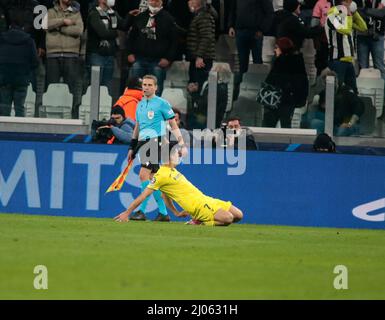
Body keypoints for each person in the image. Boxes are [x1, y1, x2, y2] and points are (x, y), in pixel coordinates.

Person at [114, 141, 243, 226]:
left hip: (206, 200)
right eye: (177, 154)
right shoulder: (161, 175)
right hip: (198, 206)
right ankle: (200, 222)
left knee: (238, 215)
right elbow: (144, 196)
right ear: (169, 156)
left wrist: (175, 212)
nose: (179, 156)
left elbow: (165, 195)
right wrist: (127, 212)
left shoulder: (172, 170)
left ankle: (201, 220)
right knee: (228, 219)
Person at [128, 74, 188, 222]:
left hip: (156, 140)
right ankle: (163, 213)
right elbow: (137, 126)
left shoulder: (162, 103)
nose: (146, 87)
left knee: (143, 174)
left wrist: (181, 143)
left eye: (150, 85)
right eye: (144, 85)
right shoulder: (140, 104)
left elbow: (173, 124)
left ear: (156, 87)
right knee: (152, 178)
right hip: (143, 142)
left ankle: (141, 211)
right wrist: (132, 147)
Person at [127, 0, 178, 96]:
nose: (154, 3)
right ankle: (134, 108)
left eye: (156, 1)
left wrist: (168, 58)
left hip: (158, 61)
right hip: (139, 59)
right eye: (151, 0)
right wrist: (129, 53)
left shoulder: (168, 19)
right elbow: (131, 37)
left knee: (155, 91)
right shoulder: (140, 17)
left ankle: (153, 110)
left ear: (161, 2)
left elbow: (174, 42)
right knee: (134, 89)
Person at [46, 0, 84, 119]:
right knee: (51, 87)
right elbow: (45, 24)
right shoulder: (50, 11)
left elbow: (79, 30)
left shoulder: (76, 13)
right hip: (53, 54)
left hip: (71, 54)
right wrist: (63, 21)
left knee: (71, 87)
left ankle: (71, 116)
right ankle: (50, 116)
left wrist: (59, 28)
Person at [262, 37, 309, 128]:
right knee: (286, 126)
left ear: (282, 48)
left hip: (276, 100)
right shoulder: (298, 63)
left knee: (268, 126)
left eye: (276, 47)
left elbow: (271, 80)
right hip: (289, 101)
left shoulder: (280, 62)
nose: (275, 50)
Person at [0, 11, 39, 116]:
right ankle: (19, 132)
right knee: (20, 108)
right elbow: (35, 61)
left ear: (9, 26)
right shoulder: (28, 40)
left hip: (4, 79)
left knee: (4, 108)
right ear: (21, 27)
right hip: (22, 79)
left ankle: (4, 132)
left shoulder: (2, 39)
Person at [324, 0, 367, 93]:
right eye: (347, 2)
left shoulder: (346, 17)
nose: (349, 5)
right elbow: (346, 30)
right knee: (336, 91)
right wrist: (348, 14)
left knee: (353, 91)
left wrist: (355, 13)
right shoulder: (332, 15)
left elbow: (363, 27)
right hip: (337, 60)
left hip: (349, 60)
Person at [186, 0, 216, 92]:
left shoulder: (204, 16)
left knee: (198, 87)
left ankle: (199, 105)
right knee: (194, 86)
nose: (189, 2)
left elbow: (207, 37)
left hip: (202, 59)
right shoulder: (199, 15)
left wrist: (200, 56)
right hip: (197, 57)